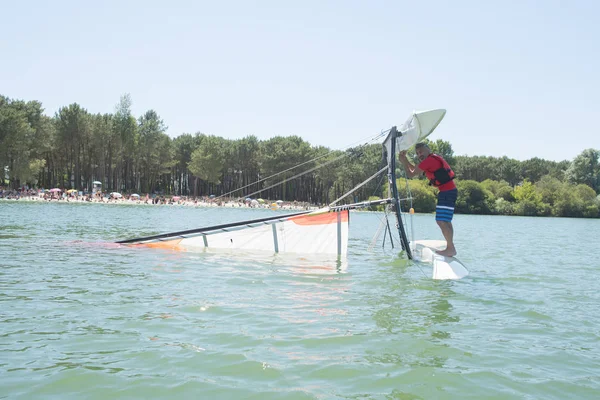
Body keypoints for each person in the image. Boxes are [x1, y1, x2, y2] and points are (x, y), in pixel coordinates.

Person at [398, 142, 458, 257]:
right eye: (417, 153)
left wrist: (403, 161)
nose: (419, 154)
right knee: (445, 221)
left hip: (447, 192)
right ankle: (451, 247)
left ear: (428, 150)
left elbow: (411, 174)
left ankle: (450, 248)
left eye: (421, 151)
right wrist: (404, 160)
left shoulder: (430, 161)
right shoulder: (430, 160)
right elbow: (414, 169)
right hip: (449, 191)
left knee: (441, 220)